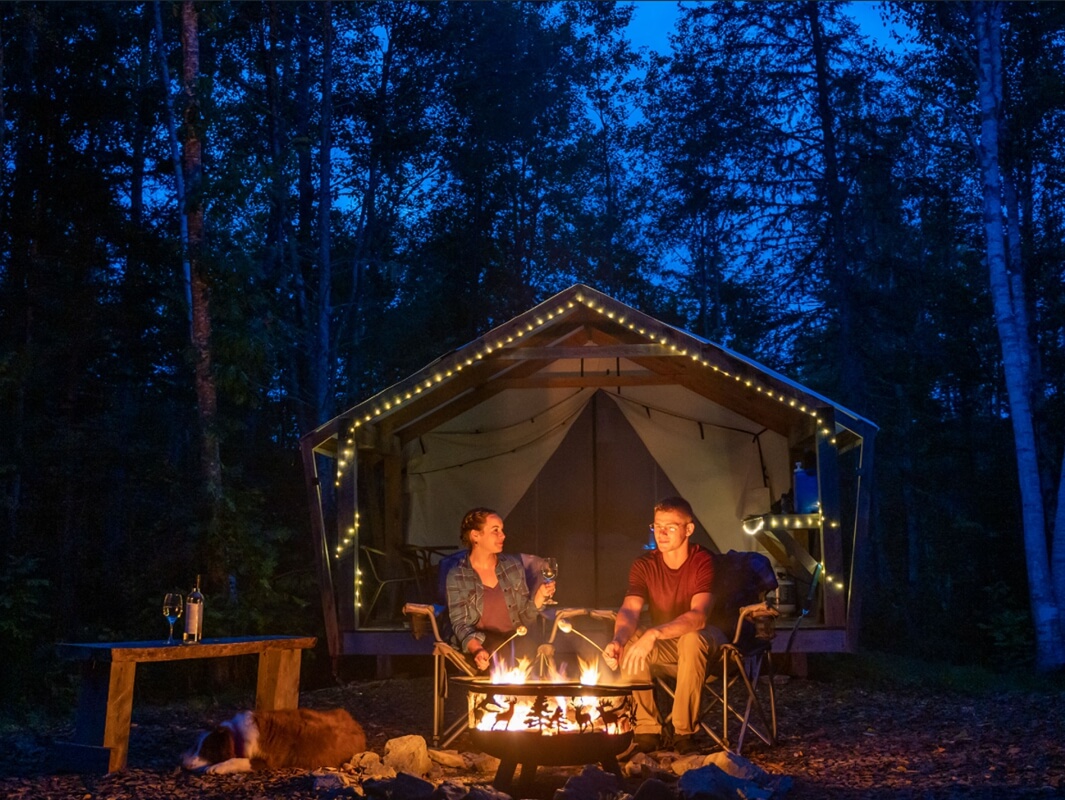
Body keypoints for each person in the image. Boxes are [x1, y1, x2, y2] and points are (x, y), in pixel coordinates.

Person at [603, 496, 724, 757]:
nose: (661, 533)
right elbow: (629, 610)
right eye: (657, 526)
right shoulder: (645, 565)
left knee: (691, 638)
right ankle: (647, 730)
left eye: (670, 527)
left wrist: (654, 633)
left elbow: (699, 617)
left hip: (712, 644)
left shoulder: (703, 561)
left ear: (688, 529)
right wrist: (619, 640)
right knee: (632, 641)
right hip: (668, 645)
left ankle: (684, 733)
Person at [445, 507, 555, 671]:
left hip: (514, 636)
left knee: (531, 648)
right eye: (495, 530)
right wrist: (476, 649)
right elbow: (460, 623)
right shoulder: (458, 576)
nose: (503, 535)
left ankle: (526, 696)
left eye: (502, 530)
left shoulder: (512, 567)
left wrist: (539, 598)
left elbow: (525, 617)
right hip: (482, 640)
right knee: (501, 653)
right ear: (476, 535)